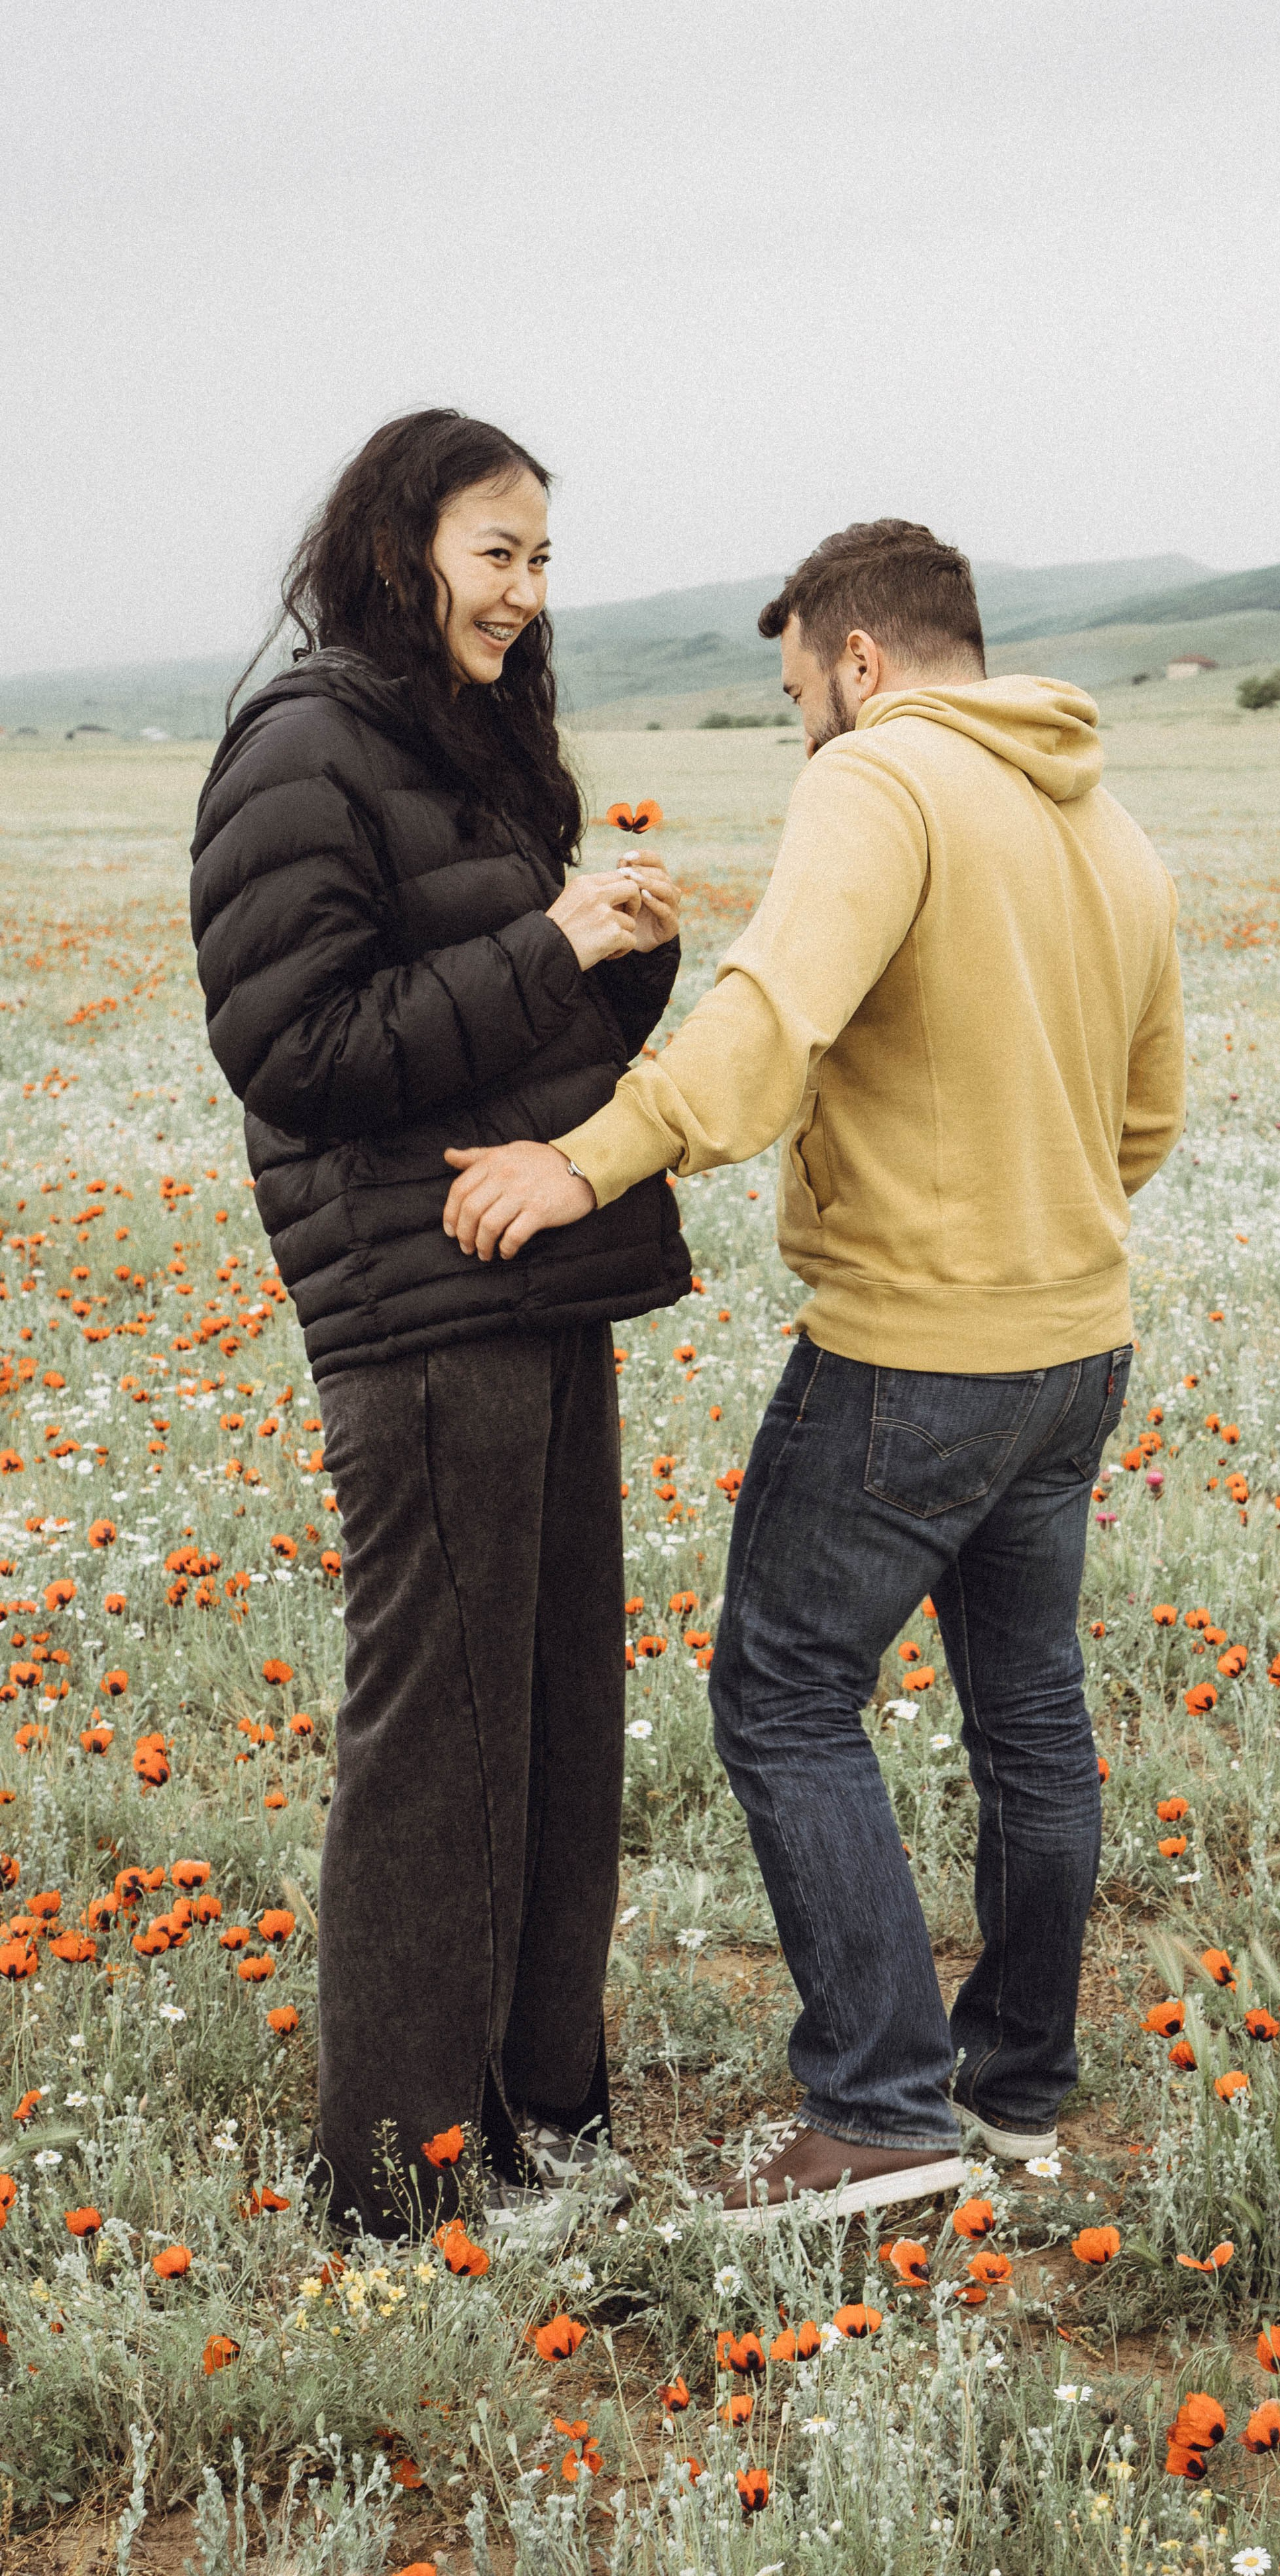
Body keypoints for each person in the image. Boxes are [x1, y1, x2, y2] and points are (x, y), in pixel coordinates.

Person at [441, 517, 1185, 2224]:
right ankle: (1011, 2094)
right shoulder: (1106, 817)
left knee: (779, 1693)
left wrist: (585, 1158)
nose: (801, 723)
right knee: (1030, 1717)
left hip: (914, 1346)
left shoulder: (881, 784)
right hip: (1075, 1344)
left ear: (857, 659)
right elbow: (1145, 1116)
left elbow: (772, 1017)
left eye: (797, 689)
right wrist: (1027, 1219)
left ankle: (878, 2111)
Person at [190, 409, 689, 2239]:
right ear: (408, 549)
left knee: (557, 1721)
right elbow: (298, 1052)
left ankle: (543, 2113)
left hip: (546, 1270)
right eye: (499, 552)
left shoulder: (479, 747)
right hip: (419, 1307)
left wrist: (621, 956)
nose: (527, 591)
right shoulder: (303, 747)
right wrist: (548, 945)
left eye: (545, 556)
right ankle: (400, 2183)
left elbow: (519, 1018)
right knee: (442, 1741)